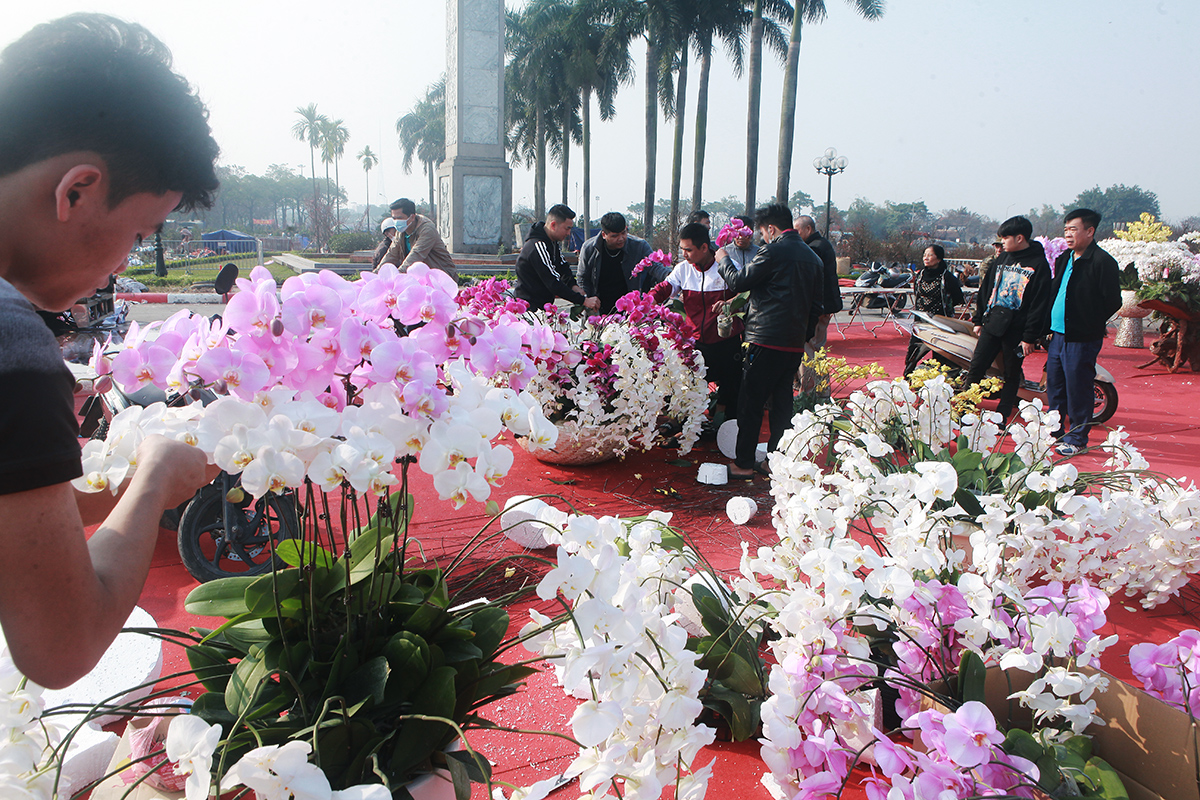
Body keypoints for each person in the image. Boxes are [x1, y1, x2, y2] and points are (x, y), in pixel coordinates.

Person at [0, 14, 220, 688]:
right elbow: (61, 649)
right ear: (78, 190)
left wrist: (120, 492)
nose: (123, 263)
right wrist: (153, 481)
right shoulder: (14, 347)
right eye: (140, 231)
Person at [716, 204, 822, 479]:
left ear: (771, 229)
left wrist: (723, 259)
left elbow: (739, 281)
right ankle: (774, 461)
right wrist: (804, 334)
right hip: (793, 342)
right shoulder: (813, 257)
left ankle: (743, 463)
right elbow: (820, 303)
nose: (762, 237)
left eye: (762, 232)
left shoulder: (773, 251)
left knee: (751, 403)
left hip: (764, 339)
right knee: (782, 404)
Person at [1044, 208, 1121, 457]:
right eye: (1065, 230)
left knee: (1078, 387)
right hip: (1058, 334)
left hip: (1082, 336)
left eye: (1073, 229)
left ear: (1090, 231)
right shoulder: (1065, 258)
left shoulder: (1102, 261)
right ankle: (1054, 431)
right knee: (1055, 386)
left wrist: (1089, 321)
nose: (1068, 234)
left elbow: (1113, 301)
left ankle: (1077, 438)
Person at [650, 223, 743, 421]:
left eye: (688, 250)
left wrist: (730, 302)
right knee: (691, 385)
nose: (684, 254)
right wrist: (644, 302)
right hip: (696, 342)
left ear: (704, 247)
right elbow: (666, 288)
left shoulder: (727, 265)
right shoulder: (683, 269)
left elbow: (746, 293)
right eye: (682, 249)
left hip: (726, 340)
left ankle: (725, 425)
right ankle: (690, 424)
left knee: (731, 387)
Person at [966, 216, 1052, 422]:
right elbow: (986, 289)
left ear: (1020, 238)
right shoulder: (1002, 259)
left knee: (1012, 375)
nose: (1002, 242)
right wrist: (978, 320)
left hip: (1017, 331)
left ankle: (1002, 416)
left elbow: (1040, 304)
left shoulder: (1039, 265)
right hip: (992, 325)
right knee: (976, 368)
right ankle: (965, 409)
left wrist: (1030, 337)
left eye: (1005, 238)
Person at [794, 214, 844, 392]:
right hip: (825, 305)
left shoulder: (813, 248)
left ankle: (810, 390)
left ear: (808, 229)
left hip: (817, 307)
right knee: (817, 348)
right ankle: (819, 389)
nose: (795, 234)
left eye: (798, 230)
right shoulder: (822, 245)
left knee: (810, 348)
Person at [903, 244, 965, 376]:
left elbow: (958, 297)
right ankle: (909, 375)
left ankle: (943, 379)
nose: (926, 257)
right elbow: (917, 294)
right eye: (925, 254)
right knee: (915, 349)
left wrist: (946, 308)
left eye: (930, 254)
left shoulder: (946, 277)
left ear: (939, 258)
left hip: (940, 320)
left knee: (940, 350)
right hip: (921, 319)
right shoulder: (920, 275)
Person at [513, 204, 586, 311]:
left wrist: (573, 286)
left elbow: (563, 267)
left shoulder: (552, 243)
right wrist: (583, 300)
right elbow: (553, 282)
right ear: (553, 225)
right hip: (528, 309)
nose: (569, 233)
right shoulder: (537, 246)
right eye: (567, 228)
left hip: (542, 307)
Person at [576, 212, 654, 313]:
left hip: (630, 308)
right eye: (615, 236)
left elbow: (655, 266)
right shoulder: (589, 249)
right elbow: (582, 278)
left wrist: (671, 278)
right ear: (604, 234)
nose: (621, 238)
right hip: (599, 308)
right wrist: (586, 300)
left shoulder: (639, 246)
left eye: (624, 232)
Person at [380, 197, 458, 281]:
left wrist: (397, 276)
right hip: (421, 279)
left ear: (412, 217)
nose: (396, 222)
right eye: (394, 218)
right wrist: (376, 275)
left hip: (441, 279)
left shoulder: (427, 229)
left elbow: (416, 255)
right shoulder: (401, 231)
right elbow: (391, 254)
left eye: (399, 218)